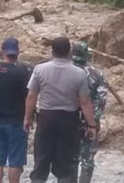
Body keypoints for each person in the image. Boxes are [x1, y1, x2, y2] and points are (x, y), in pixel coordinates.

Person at [24, 37, 97, 183]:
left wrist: (27, 117)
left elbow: (32, 95)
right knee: (66, 164)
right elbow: (84, 101)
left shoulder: (40, 69)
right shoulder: (79, 73)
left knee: (41, 160)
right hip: (69, 120)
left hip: (46, 117)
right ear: (69, 51)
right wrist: (92, 125)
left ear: (52, 51)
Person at [0, 38, 32, 183]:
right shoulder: (22, 72)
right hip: (16, 121)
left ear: (3, 51)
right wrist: (28, 118)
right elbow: (28, 96)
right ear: (17, 52)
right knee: (15, 160)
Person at [71, 42, 108, 183]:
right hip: (89, 121)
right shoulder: (96, 73)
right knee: (87, 160)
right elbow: (102, 99)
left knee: (70, 158)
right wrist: (94, 118)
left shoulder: (65, 70)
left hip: (68, 119)